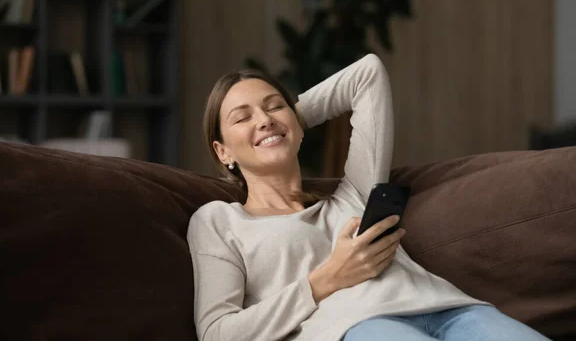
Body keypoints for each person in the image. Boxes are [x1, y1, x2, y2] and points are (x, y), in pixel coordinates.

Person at [187, 54, 549, 341]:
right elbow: (218, 333)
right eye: (242, 117)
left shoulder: (353, 195)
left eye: (272, 105)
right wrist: (325, 280)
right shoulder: (220, 221)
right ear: (223, 152)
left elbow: (368, 74)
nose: (263, 119)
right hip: (358, 328)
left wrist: (289, 121)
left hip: (453, 311)